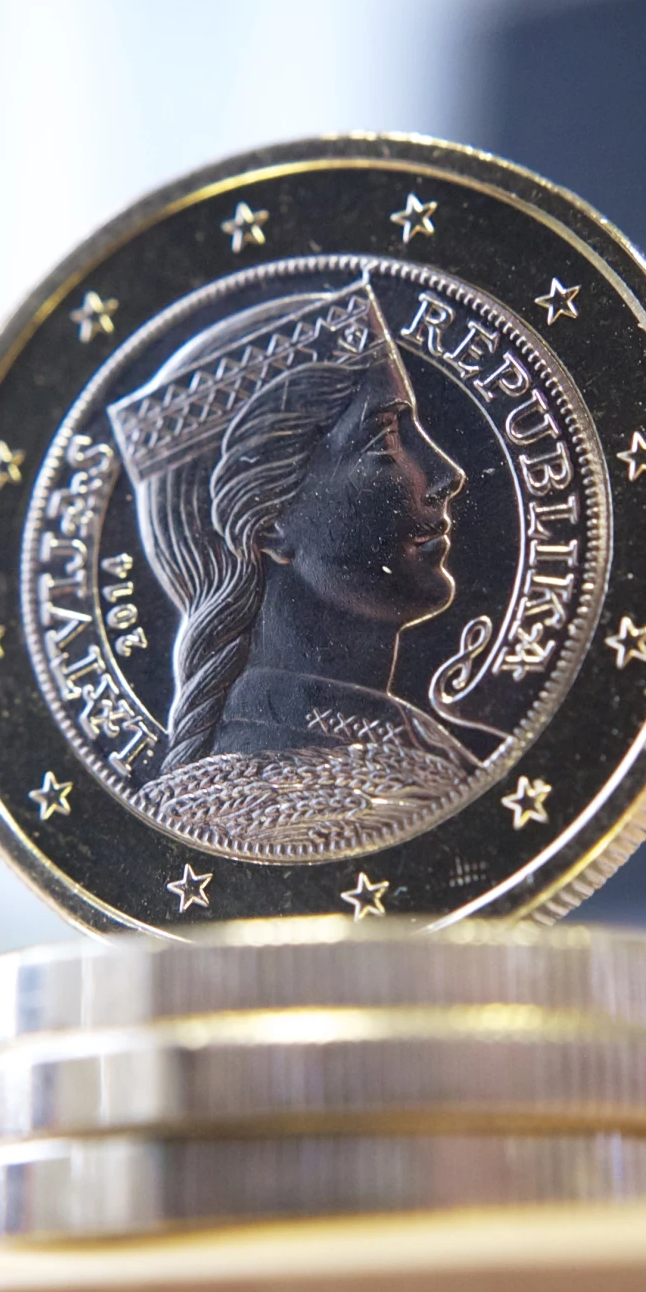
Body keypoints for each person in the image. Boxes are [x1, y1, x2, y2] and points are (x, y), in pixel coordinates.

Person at [105, 275, 472, 859]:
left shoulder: (406, 750)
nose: (447, 473)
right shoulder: (252, 796)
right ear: (268, 519)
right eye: (384, 441)